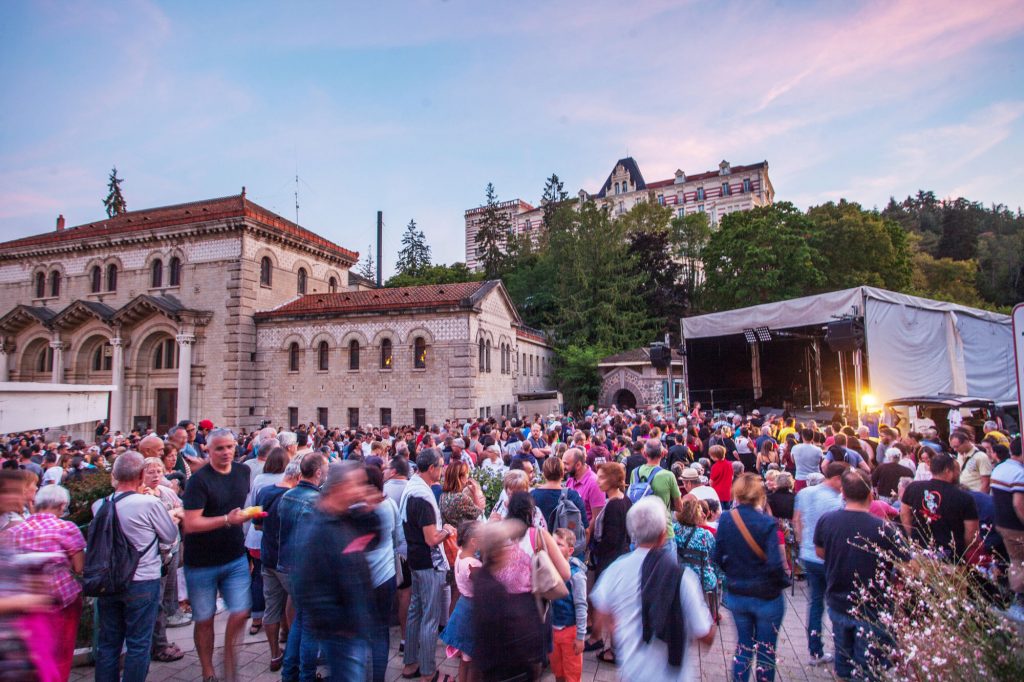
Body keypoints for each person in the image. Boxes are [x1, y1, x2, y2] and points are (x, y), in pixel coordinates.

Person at [591, 496, 716, 682]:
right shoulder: (683, 577)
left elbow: (600, 610)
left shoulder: (616, 570)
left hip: (632, 671)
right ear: (662, 535)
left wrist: (616, 625)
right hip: (671, 675)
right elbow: (705, 634)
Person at [91, 452, 179, 682]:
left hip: (109, 580)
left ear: (114, 475)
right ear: (141, 475)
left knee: (108, 643)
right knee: (139, 644)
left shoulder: (100, 504)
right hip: (142, 579)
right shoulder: (148, 503)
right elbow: (170, 535)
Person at [814, 469, 908, 680]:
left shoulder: (827, 520)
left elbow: (820, 551)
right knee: (868, 668)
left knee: (844, 659)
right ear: (870, 495)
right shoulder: (884, 528)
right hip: (872, 606)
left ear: (843, 494)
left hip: (838, 598)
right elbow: (905, 563)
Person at [290, 461, 378, 680]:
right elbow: (305, 585)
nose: (362, 490)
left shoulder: (346, 518)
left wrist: (368, 512)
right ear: (340, 487)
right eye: (357, 484)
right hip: (342, 632)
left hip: (355, 625)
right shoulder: (317, 529)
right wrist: (340, 624)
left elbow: (374, 539)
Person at [181, 428, 252, 682]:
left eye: (230, 447)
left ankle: (230, 659)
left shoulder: (244, 472)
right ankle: (208, 669)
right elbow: (191, 524)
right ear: (208, 450)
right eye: (220, 448)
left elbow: (242, 507)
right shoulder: (199, 482)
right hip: (201, 562)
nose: (226, 452)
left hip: (234, 556)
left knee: (242, 610)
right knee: (204, 618)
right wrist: (227, 519)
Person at [5, 484, 85, 680]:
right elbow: (79, 567)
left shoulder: (16, 530)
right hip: (62, 599)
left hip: (25, 601)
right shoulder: (66, 528)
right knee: (62, 651)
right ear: (62, 505)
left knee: (37, 652)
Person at [714, 473, 789, 682]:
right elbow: (775, 564)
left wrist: (733, 572)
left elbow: (717, 555)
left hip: (738, 591)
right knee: (766, 650)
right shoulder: (766, 523)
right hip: (766, 595)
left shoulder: (727, 519)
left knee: (744, 646)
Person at [400, 448, 455, 682]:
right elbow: (431, 538)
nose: (442, 470)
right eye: (440, 466)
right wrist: (447, 530)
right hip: (427, 563)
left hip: (414, 558)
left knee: (416, 611)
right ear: (431, 468)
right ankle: (428, 671)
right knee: (430, 618)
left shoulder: (411, 487)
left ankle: (410, 664)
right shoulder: (422, 497)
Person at [278, 452, 327, 682]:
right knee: (310, 627)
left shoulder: (287, 496)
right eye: (325, 469)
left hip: (289, 568)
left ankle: (289, 674)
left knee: (300, 620)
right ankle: (307, 676)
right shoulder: (316, 501)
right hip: (310, 572)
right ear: (318, 472)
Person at [792, 462, 846, 666]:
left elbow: (796, 519)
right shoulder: (837, 500)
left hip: (808, 554)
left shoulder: (805, 493)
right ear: (837, 479)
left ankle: (815, 650)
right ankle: (841, 650)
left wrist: (802, 542)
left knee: (815, 603)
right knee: (835, 603)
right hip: (830, 557)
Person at [254, 457, 301, 671]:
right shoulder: (293, 497)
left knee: (271, 608)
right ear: (297, 477)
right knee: (297, 603)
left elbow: (257, 525)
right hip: (288, 560)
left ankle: (274, 654)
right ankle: (294, 650)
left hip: (268, 556)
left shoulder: (265, 491)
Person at [141, 457, 187, 662]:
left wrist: (172, 515)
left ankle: (161, 639)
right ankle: (158, 645)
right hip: (152, 556)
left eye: (158, 471)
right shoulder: (140, 494)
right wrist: (171, 516)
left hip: (172, 549)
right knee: (155, 601)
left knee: (167, 595)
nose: (156, 475)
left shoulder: (167, 492)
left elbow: (182, 511)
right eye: (150, 471)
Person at [364, 464, 404, 682]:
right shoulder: (388, 504)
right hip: (384, 577)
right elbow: (398, 539)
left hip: (360, 579)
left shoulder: (354, 508)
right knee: (380, 632)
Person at [900, 452, 979, 561]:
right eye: (957, 470)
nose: (958, 473)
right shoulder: (965, 497)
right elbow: (971, 533)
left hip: (920, 551)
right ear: (948, 471)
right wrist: (961, 549)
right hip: (951, 556)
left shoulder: (913, 487)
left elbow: (904, 514)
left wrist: (913, 536)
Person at [440, 520, 482, 682]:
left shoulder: (460, 554)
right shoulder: (472, 565)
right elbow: (485, 584)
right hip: (472, 613)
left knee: (465, 659)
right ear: (474, 541)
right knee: (472, 659)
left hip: (463, 607)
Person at [990, 443, 1024, 622]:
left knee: (1015, 562)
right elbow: (1019, 504)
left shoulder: (1000, 468)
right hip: (1017, 526)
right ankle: (1019, 603)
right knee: (1019, 563)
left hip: (1002, 523)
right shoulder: (1020, 473)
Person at [550, 528, 588, 682]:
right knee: (557, 672)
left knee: (571, 674)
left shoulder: (576, 576)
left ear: (570, 550)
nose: (554, 547)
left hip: (570, 631)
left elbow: (581, 606)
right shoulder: (550, 569)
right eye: (552, 544)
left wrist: (580, 637)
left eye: (559, 544)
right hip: (553, 631)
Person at [629, 439, 683, 539]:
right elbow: (679, 507)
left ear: (644, 454)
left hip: (641, 532)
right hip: (664, 533)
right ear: (662, 454)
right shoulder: (668, 475)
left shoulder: (634, 473)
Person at [534, 455, 587, 538]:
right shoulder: (573, 495)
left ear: (544, 474)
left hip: (540, 544)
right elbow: (584, 527)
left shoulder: (532, 495)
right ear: (562, 473)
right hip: (566, 546)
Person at [952, 429, 991, 494]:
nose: (955, 450)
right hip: (963, 494)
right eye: (953, 447)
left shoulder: (981, 457)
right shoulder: (960, 455)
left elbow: (986, 482)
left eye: (957, 447)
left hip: (975, 494)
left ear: (966, 442)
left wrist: (981, 498)